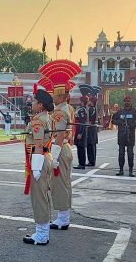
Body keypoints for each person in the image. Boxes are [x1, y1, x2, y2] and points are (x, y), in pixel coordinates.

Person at [39, 59, 81, 231]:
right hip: (64, 147)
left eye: (54, 94)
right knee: (63, 183)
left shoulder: (60, 111)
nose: (52, 97)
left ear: (61, 95)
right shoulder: (66, 109)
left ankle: (63, 218)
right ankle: (63, 216)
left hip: (60, 148)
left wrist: (54, 156)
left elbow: (60, 134)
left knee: (59, 184)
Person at [22, 87, 54, 245]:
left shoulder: (38, 120)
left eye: (34, 101)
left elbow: (39, 144)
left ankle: (41, 235)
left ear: (40, 105)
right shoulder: (47, 117)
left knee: (39, 198)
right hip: (44, 157)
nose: (31, 103)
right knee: (44, 196)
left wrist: (35, 167)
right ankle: (43, 232)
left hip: (38, 159)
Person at [112, 96, 136, 177]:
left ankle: (131, 170)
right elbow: (113, 120)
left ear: (130, 102)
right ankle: (121, 170)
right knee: (121, 154)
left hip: (130, 135)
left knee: (130, 154)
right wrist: (120, 123)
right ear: (123, 102)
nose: (127, 102)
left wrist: (131, 125)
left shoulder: (134, 111)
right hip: (121, 135)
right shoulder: (120, 111)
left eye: (128, 101)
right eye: (125, 101)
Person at [73, 95, 89, 170]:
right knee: (79, 147)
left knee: (81, 148)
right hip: (78, 128)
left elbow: (82, 122)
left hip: (80, 129)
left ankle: (82, 164)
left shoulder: (82, 110)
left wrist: (80, 133)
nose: (78, 102)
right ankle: (81, 163)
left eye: (79, 100)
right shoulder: (81, 109)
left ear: (82, 102)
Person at [86, 88, 101, 167]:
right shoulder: (95, 108)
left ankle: (91, 161)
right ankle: (92, 161)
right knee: (93, 146)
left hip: (90, 129)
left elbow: (88, 119)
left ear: (91, 102)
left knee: (90, 146)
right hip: (93, 129)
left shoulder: (91, 109)